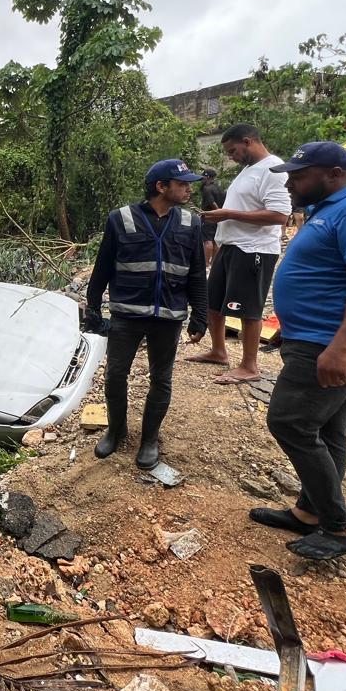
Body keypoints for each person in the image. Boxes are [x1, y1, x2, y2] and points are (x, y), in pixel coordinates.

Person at [250, 141, 346, 561]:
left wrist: (341, 347)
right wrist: (291, 329)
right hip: (313, 339)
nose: (291, 183)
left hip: (337, 345)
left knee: (290, 423)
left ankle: (339, 527)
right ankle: (310, 511)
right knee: (329, 430)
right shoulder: (328, 210)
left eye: (300, 176)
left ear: (334, 173)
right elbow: (326, 278)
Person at [85, 159, 208, 470]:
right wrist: (93, 306)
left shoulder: (190, 223)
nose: (188, 189)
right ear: (161, 187)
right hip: (126, 315)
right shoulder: (120, 219)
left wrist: (200, 315)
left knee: (161, 379)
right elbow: (102, 268)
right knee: (115, 376)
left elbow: (196, 272)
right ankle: (116, 431)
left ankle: (150, 439)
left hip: (169, 317)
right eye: (182, 184)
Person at [188, 124, 291, 384]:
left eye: (233, 150)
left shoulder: (274, 169)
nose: (230, 157)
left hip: (254, 249)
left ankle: (249, 366)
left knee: (248, 309)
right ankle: (219, 351)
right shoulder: (248, 170)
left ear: (248, 142)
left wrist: (227, 213)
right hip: (231, 245)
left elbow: (279, 215)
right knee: (213, 302)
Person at [199, 168, 227, 265]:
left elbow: (211, 202)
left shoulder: (207, 189)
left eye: (203, 177)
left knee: (207, 240)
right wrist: (222, 214)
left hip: (210, 216)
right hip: (220, 217)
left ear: (207, 177)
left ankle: (206, 263)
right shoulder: (219, 188)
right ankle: (214, 263)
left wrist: (217, 212)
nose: (202, 180)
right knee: (216, 241)